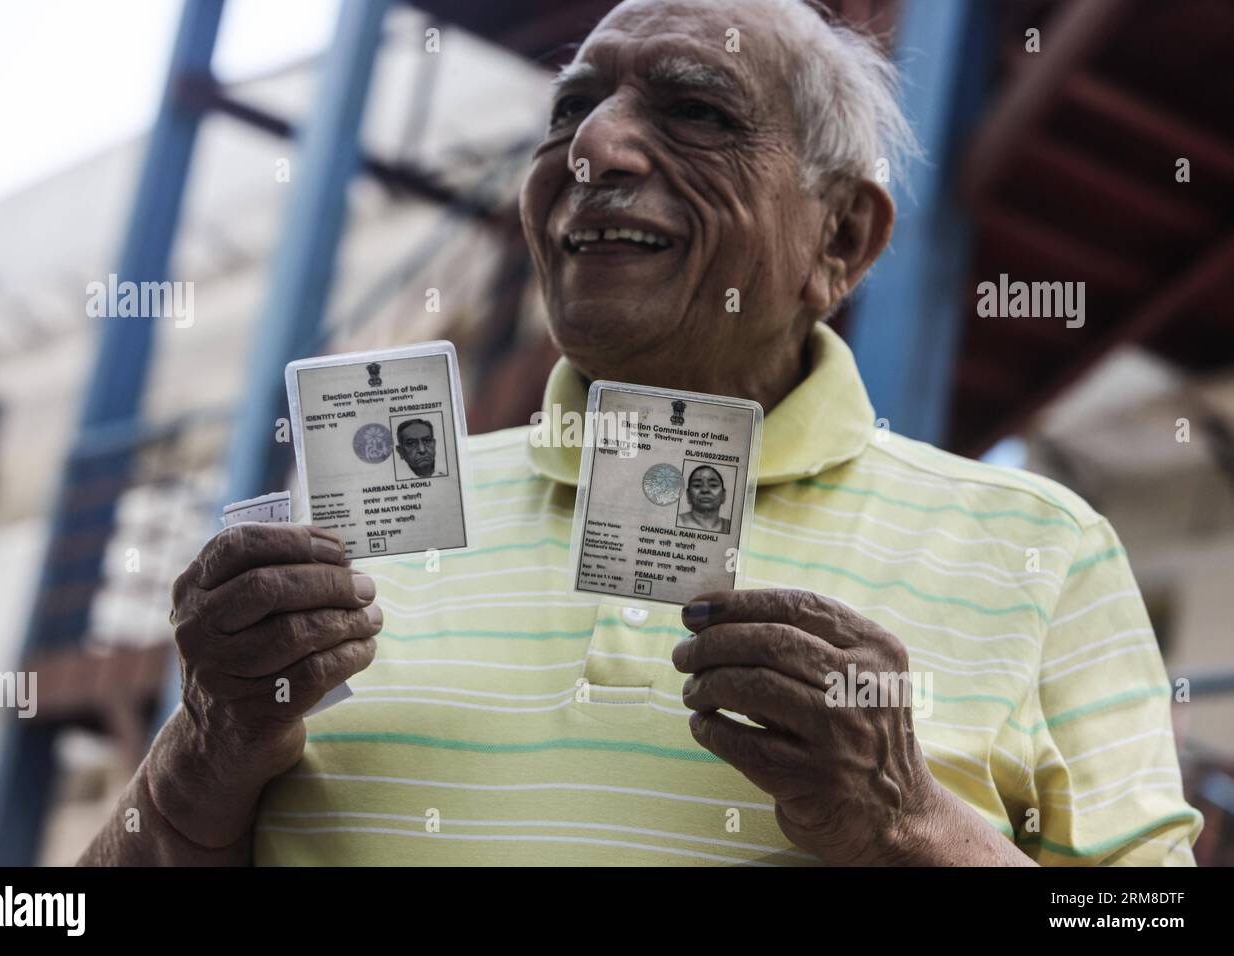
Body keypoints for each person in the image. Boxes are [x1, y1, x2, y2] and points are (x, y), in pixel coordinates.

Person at [80, 0, 1200, 866]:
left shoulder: (1040, 545)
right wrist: (204, 752)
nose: (593, 150)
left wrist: (906, 818)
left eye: (697, 111)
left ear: (842, 236)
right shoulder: (345, 530)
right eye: (569, 110)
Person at [677, 464, 731, 532]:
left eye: (713, 485)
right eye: (697, 485)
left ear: (723, 495)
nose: (705, 490)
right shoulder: (676, 521)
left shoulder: (732, 527)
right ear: (688, 495)